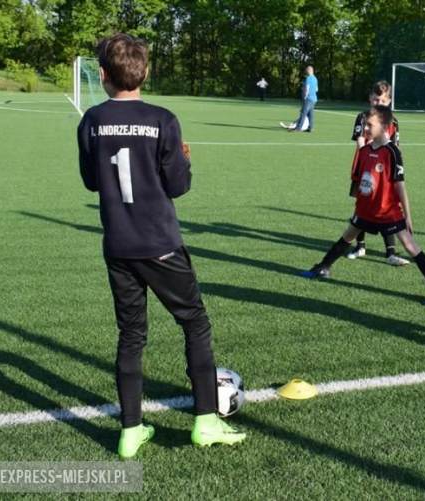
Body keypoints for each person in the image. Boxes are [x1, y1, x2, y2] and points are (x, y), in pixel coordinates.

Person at [77, 33, 247, 458]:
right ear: (146, 72)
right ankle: (205, 422)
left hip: (117, 245)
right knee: (194, 322)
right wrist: (184, 161)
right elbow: (179, 184)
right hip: (159, 243)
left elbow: (92, 181)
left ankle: (130, 432)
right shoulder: (163, 119)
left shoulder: (92, 120)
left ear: (101, 75)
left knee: (131, 334)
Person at [299, 105, 425, 308]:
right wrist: (358, 206)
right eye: (365, 124)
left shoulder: (392, 152)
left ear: (385, 126)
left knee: (410, 246)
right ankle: (323, 267)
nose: (366, 128)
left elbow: (400, 185)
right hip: (365, 211)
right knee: (347, 236)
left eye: (370, 125)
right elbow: (362, 182)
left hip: (388, 212)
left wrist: (408, 216)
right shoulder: (365, 150)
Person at [346, 81, 409, 266]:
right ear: (370, 99)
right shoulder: (362, 117)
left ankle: (390, 253)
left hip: (385, 174)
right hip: (364, 169)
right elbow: (360, 141)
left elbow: (396, 147)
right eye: (375, 99)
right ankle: (360, 246)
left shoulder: (393, 122)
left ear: (388, 101)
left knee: (387, 207)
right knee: (363, 205)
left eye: (382, 100)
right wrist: (370, 161)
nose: (378, 103)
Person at [288, 65, 318, 132]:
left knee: (303, 113)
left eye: (306, 70)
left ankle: (298, 128)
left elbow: (307, 89)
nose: (306, 72)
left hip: (308, 98)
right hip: (314, 99)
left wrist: (305, 97)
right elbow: (316, 89)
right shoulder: (315, 79)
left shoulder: (308, 78)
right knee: (310, 114)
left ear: (308, 70)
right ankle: (310, 128)